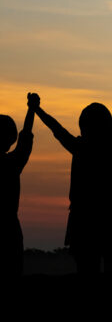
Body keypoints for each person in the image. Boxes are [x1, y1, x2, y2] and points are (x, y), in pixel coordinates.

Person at [32, 93, 112, 275]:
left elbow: (56, 129)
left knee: (88, 270)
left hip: (86, 224)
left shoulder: (80, 148)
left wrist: (37, 110)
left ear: (84, 126)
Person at [1, 93, 36, 277]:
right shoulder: (12, 163)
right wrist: (31, 109)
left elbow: (25, 138)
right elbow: (26, 138)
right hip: (9, 230)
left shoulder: (12, 163)